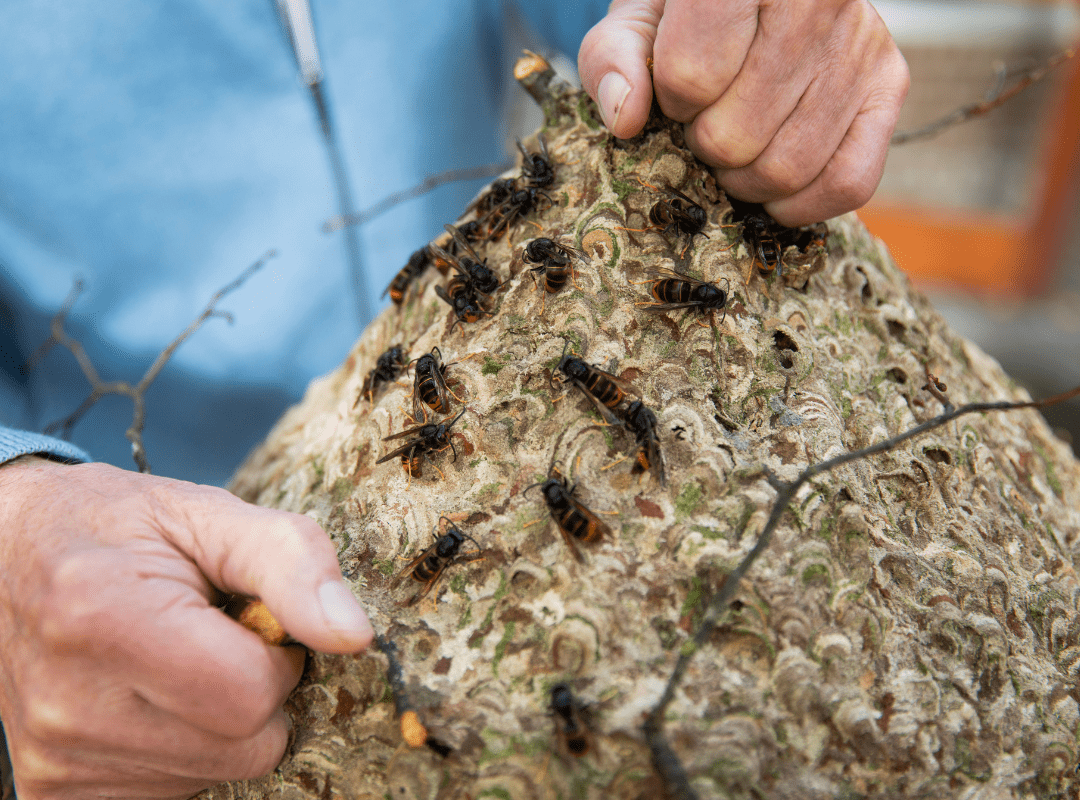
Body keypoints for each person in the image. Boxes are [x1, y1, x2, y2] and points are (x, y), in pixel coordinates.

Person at [0, 1, 908, 797]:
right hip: (141, 586)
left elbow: (647, 38)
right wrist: (14, 511)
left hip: (479, 364)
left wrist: (728, 36)